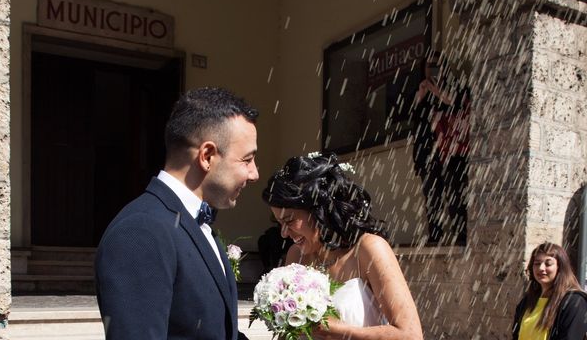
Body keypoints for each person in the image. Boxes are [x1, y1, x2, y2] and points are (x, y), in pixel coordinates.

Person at [95, 87, 259, 340]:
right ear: (207, 156)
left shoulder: (191, 221)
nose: (254, 173)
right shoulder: (141, 231)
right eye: (247, 160)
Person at [263, 153, 423, 339]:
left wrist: (335, 329)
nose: (283, 233)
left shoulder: (368, 249)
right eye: (279, 223)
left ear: (318, 209)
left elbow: (411, 335)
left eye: (289, 220)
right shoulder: (295, 256)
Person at [411, 50, 470, 245]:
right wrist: (421, 96)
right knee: (432, 196)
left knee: (456, 194)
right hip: (429, 152)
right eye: (429, 66)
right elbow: (414, 122)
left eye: (437, 65)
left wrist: (437, 91)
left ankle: (461, 236)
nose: (433, 70)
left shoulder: (454, 87)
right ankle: (435, 236)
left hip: (454, 152)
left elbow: (458, 105)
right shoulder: (421, 91)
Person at [512, 242, 587, 340]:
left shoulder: (574, 302)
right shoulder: (526, 302)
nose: (541, 268)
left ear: (560, 267)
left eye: (548, 263)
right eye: (537, 263)